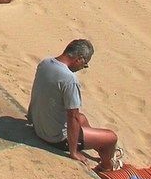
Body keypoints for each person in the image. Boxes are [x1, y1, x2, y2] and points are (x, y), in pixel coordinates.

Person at [28, 40, 122, 171]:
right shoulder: (69, 80)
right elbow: (73, 117)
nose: (83, 67)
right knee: (111, 137)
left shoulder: (45, 63)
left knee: (82, 118)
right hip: (56, 138)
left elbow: (36, 92)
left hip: (39, 126)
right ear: (79, 59)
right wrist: (73, 152)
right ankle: (107, 166)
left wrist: (31, 118)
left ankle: (99, 146)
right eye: (85, 64)